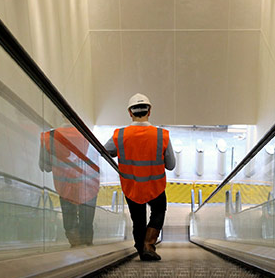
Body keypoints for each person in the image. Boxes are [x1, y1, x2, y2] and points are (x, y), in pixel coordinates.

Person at [105, 93, 175, 261]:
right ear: (149, 111)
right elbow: (171, 165)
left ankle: (141, 249)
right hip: (155, 186)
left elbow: (106, 151)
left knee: (138, 219)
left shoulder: (120, 135)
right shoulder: (161, 135)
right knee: (158, 211)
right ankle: (149, 244)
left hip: (132, 186)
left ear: (130, 112)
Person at [39, 125, 100, 247]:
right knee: (87, 224)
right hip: (89, 187)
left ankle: (75, 245)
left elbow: (45, 167)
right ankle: (87, 249)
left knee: (70, 224)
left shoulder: (48, 137)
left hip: (65, 186)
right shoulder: (90, 136)